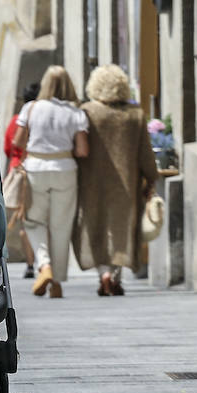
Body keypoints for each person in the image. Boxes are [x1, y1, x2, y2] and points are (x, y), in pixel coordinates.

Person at [73, 64, 157, 297]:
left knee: (96, 227)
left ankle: (104, 274)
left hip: (92, 181)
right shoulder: (135, 115)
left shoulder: (87, 111)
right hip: (127, 181)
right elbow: (145, 153)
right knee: (121, 229)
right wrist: (151, 178)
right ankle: (116, 276)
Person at [17, 66, 89, 298]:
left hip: (36, 168)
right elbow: (82, 150)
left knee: (33, 221)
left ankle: (44, 265)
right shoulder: (75, 112)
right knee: (61, 225)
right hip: (65, 169)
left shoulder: (31, 108)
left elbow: (18, 142)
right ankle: (56, 282)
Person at [4, 82, 39, 279]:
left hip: (18, 170)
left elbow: (8, 149)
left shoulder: (16, 121)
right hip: (37, 169)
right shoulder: (44, 119)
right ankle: (43, 261)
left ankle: (30, 264)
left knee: (25, 222)